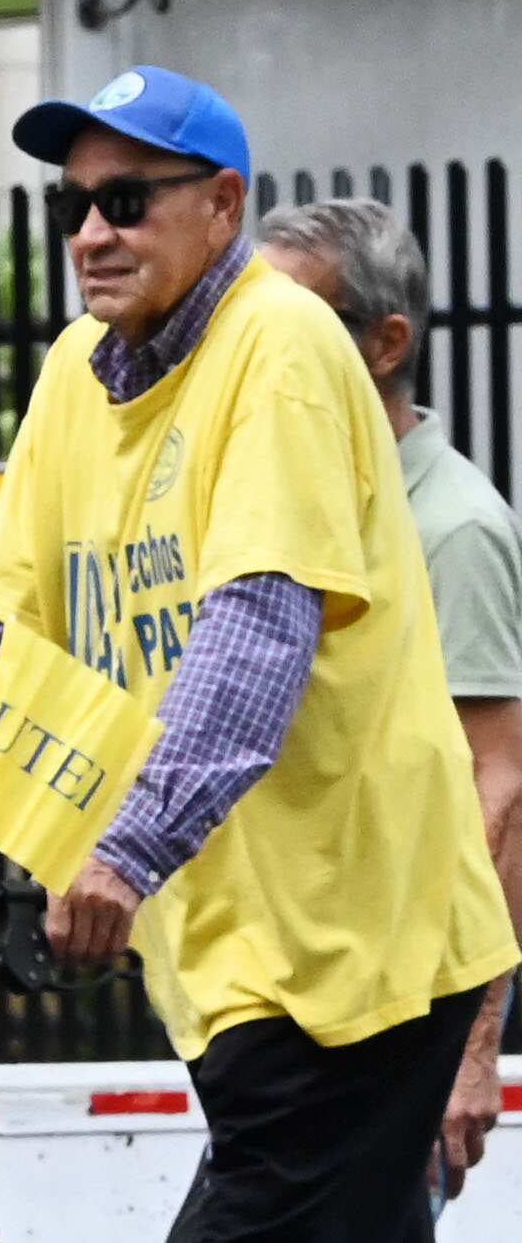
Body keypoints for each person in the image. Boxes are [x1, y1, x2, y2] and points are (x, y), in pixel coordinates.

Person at [0, 67, 513, 1243]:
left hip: (357, 948)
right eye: (71, 206)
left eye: (126, 200)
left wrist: (125, 852)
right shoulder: (79, 373)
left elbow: (258, 627)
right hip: (243, 951)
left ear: (223, 205)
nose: (90, 234)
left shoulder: (279, 352)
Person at [256, 198, 522, 1201]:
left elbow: (496, 789)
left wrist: (471, 1048)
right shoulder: (308, 503)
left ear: (386, 342)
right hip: (303, 1021)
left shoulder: (451, 529)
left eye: (290, 320)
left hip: (400, 1033)